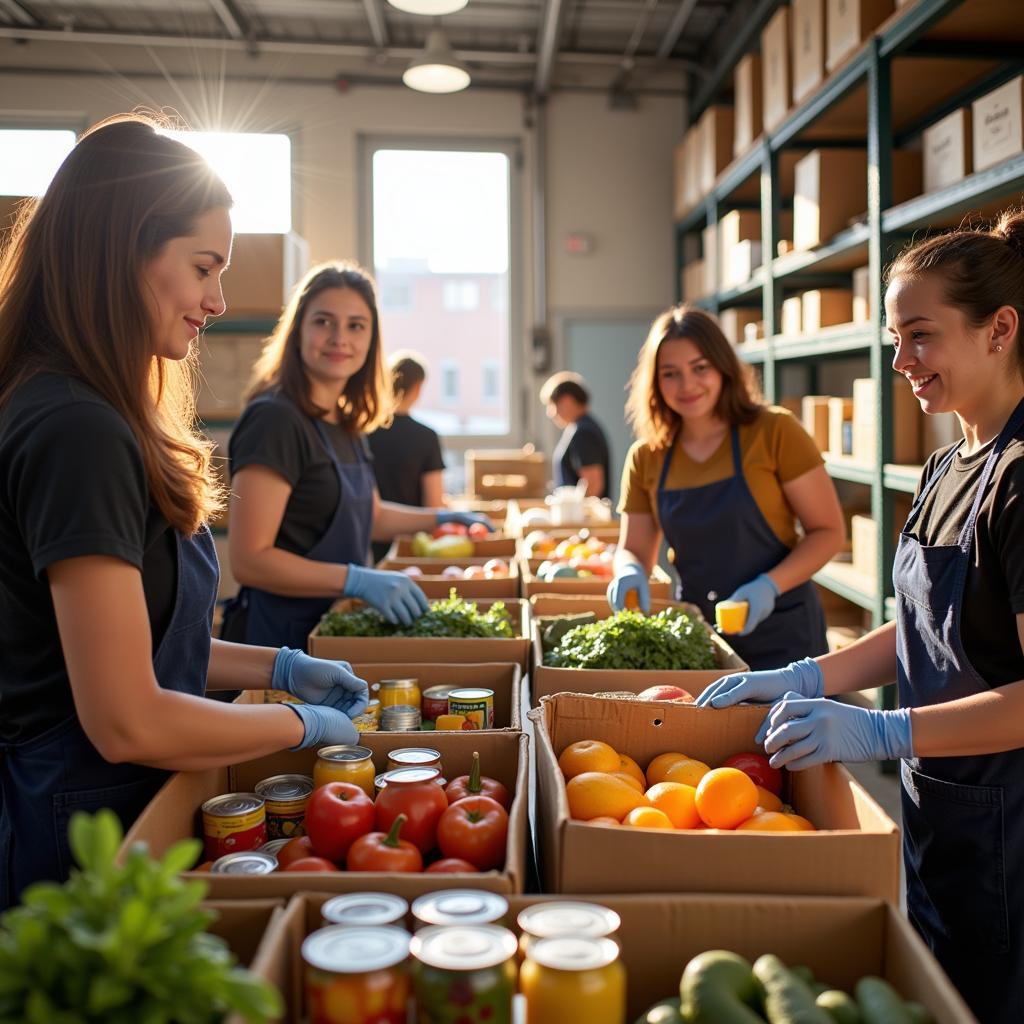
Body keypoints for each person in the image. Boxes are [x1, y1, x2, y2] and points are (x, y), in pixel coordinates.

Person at [0, 115, 369, 906]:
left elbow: (145, 645)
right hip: (76, 820)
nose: (218, 299)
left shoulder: (93, 409)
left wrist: (276, 669)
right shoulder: (76, 430)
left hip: (116, 801)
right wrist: (295, 727)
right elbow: (127, 716)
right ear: (122, 249)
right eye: (204, 267)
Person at [695, 213, 1024, 1023]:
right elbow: (921, 629)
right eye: (894, 337)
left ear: (1000, 330)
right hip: (939, 812)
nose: (901, 362)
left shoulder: (1021, 482)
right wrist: (804, 675)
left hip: (1010, 834)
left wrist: (883, 734)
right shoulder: (949, 464)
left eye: (921, 336)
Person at [226, 262, 491, 650]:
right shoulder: (275, 420)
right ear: (298, 329)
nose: (339, 338)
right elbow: (249, 559)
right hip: (279, 641)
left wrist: (441, 517)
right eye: (323, 321)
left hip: (331, 628)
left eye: (356, 325)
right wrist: (357, 579)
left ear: (371, 340)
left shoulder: (345, 422)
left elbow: (374, 516)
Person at [607, 306, 844, 670]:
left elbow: (827, 533)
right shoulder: (647, 457)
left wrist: (769, 585)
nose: (687, 386)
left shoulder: (774, 431)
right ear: (655, 383)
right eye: (671, 374)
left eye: (700, 368)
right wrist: (627, 570)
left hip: (785, 636)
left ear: (722, 367)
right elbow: (635, 549)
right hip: (701, 640)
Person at [368, 350, 445, 563]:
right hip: (412, 547)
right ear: (418, 387)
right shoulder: (426, 437)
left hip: (366, 545)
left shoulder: (363, 432)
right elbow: (433, 502)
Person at [540, 371, 611, 498]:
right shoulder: (583, 427)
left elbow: (593, 485)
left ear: (566, 400)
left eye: (552, 405)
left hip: (581, 517)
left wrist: (570, 509)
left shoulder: (583, 432)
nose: (550, 413)